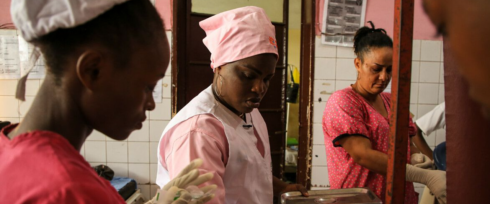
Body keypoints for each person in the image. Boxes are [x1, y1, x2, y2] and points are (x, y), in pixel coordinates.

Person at [0, 0, 214, 203]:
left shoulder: (8, 144)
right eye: (147, 87)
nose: (151, 104)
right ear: (93, 70)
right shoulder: (70, 190)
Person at [157, 6, 308, 204]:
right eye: (248, 76)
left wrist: (282, 188)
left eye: (267, 78)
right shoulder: (198, 134)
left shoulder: (245, 109)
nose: (259, 88)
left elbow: (244, 169)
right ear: (219, 66)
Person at [322, 22, 446, 204]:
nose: (384, 77)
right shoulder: (343, 101)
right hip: (361, 200)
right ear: (358, 63)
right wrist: (423, 176)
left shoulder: (392, 101)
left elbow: (407, 144)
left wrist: (417, 157)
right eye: (376, 69)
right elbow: (363, 154)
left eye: (389, 70)